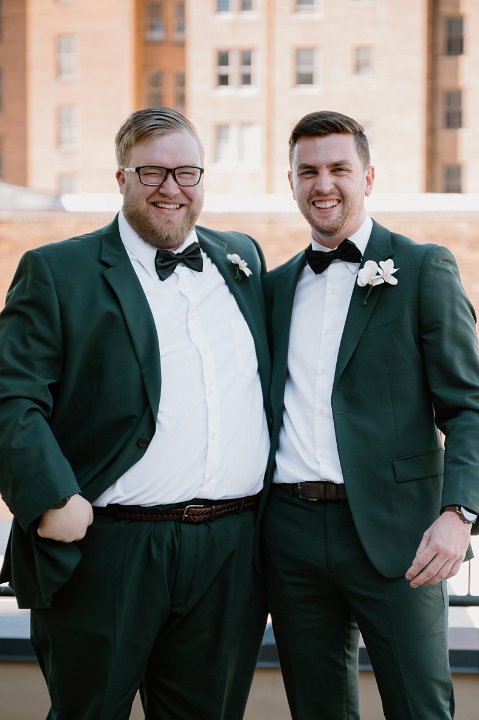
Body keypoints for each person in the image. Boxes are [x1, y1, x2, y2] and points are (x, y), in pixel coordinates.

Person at [0, 107, 271, 720]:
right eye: (152, 172)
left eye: (186, 172)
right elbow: (12, 397)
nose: (171, 188)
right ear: (121, 177)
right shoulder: (58, 271)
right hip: (110, 548)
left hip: (229, 552)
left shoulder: (242, 257)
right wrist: (50, 499)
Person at [262, 110, 479, 719]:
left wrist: (459, 514)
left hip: (401, 536)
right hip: (291, 535)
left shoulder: (422, 268)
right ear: (291, 182)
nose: (323, 184)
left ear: (368, 177)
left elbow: (468, 405)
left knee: (420, 707)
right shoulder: (274, 289)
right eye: (308, 171)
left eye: (339, 168)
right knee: (317, 709)